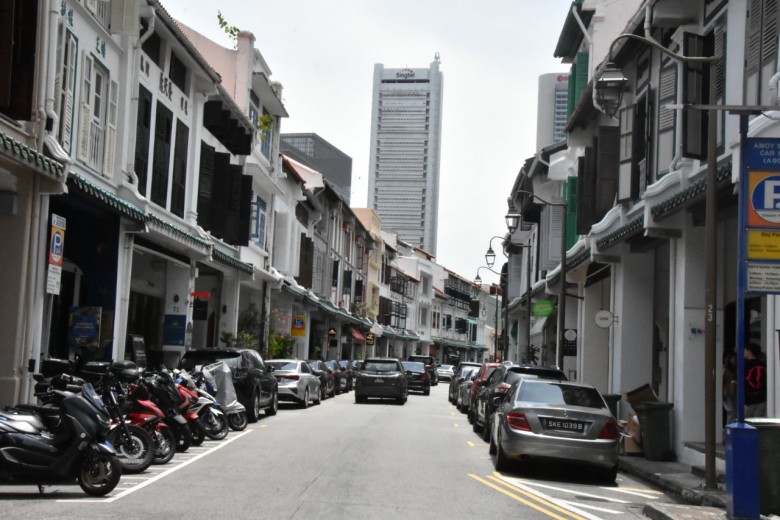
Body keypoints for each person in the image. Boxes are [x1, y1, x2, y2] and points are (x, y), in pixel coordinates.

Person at [744, 343, 767, 418]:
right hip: (761, 398)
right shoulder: (763, 364)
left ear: (749, 351)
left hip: (748, 399)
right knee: (758, 421)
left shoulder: (744, 365)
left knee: (746, 421)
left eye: (746, 350)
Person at [722, 351, 737, 425]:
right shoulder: (726, 370)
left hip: (734, 393)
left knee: (733, 413)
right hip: (728, 394)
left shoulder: (736, 369)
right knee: (732, 412)